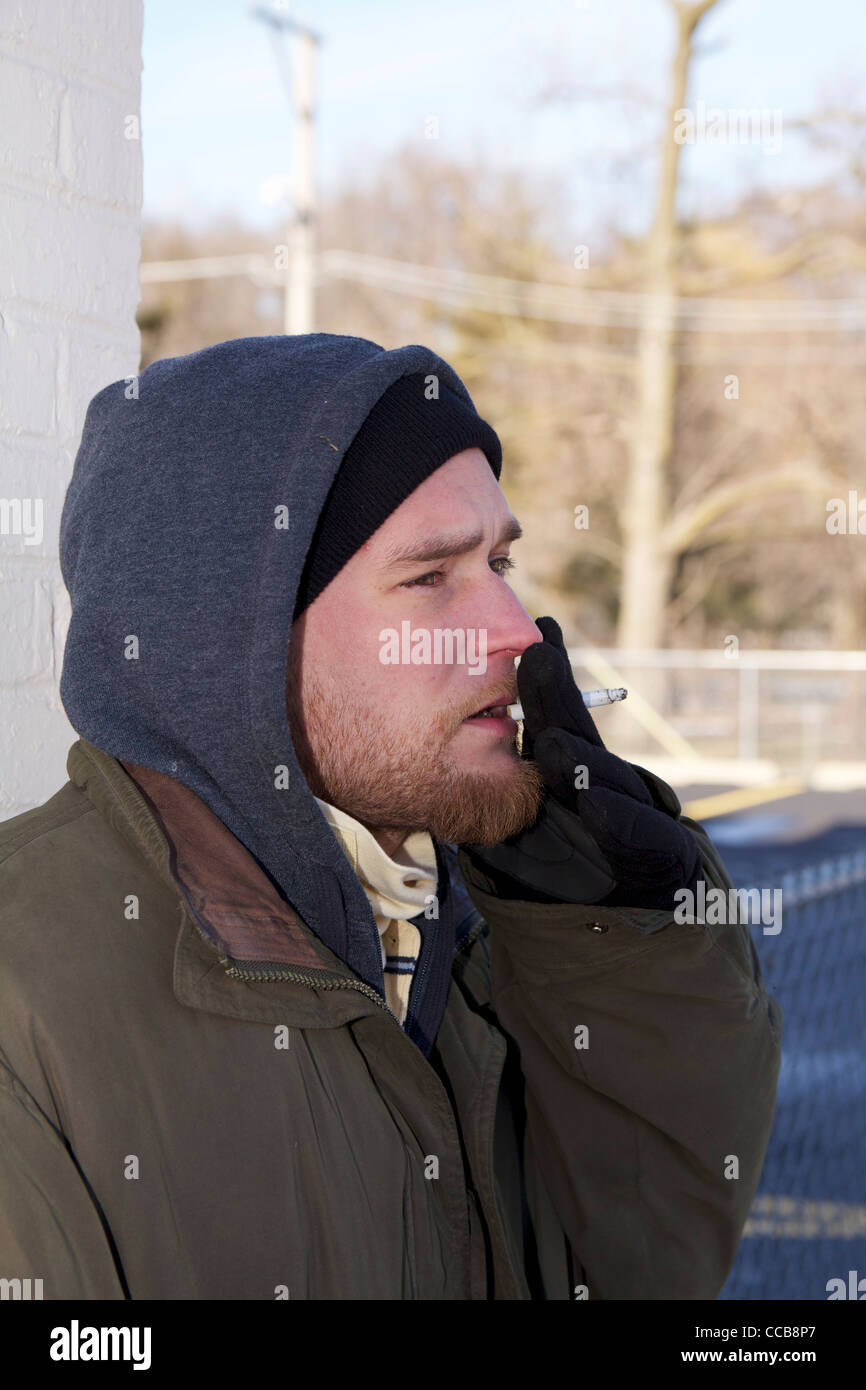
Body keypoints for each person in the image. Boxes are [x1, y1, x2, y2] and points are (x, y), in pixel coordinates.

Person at [0, 333, 782, 1300]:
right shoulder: (25, 1002)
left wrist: (622, 943)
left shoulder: (477, 919)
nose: (517, 630)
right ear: (232, 641)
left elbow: (621, 1275)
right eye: (430, 578)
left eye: (499, 560)